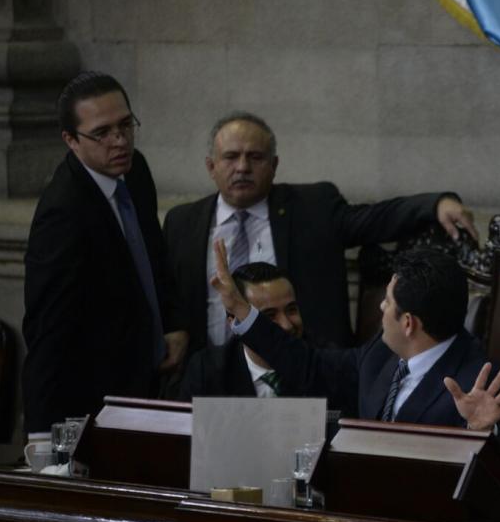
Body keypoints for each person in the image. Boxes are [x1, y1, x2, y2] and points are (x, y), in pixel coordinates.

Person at [164, 111, 478, 354]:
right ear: (211, 166)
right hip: (211, 377)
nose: (243, 167)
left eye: (255, 157)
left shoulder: (313, 208)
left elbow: (376, 218)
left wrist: (437, 204)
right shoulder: (183, 222)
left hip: (303, 375)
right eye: (231, 157)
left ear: (274, 165)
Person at [211, 243, 500, 456]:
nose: (381, 307)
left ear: (409, 323)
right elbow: (309, 365)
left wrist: (483, 434)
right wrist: (242, 310)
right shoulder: (381, 354)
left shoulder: (482, 384)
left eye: (387, 301)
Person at [22, 72, 187, 434]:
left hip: (150, 381)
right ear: (71, 140)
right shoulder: (62, 212)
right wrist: (40, 435)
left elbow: (154, 256)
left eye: (126, 125)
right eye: (102, 133)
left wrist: (173, 322)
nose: (119, 141)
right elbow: (48, 328)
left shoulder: (136, 169)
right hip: (96, 397)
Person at [178, 262, 305, 399]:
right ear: (235, 322)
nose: (287, 325)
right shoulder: (207, 372)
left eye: (291, 310)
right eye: (269, 315)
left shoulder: (325, 364)